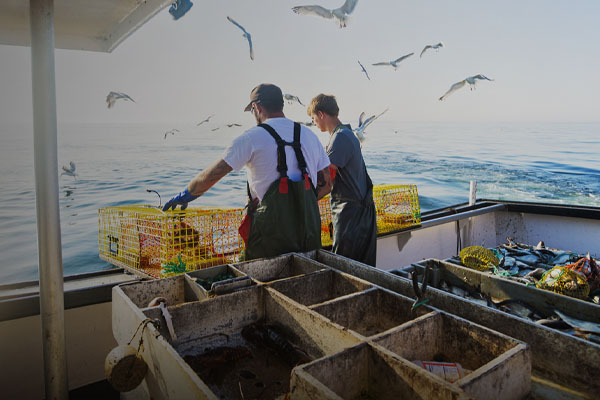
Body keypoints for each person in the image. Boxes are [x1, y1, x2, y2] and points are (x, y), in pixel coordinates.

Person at [163, 83, 332, 260]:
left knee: (265, 280)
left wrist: (186, 195)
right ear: (281, 104)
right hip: (309, 232)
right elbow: (327, 184)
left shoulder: (251, 137)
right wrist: (299, 205)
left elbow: (212, 175)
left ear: (256, 107)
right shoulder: (309, 136)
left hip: (271, 239)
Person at [307, 94, 377, 266]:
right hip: (359, 215)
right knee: (362, 270)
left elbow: (326, 183)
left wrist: (304, 202)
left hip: (352, 218)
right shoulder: (346, 134)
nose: (314, 122)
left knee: (344, 269)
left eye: (313, 117)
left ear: (321, 114)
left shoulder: (340, 138)